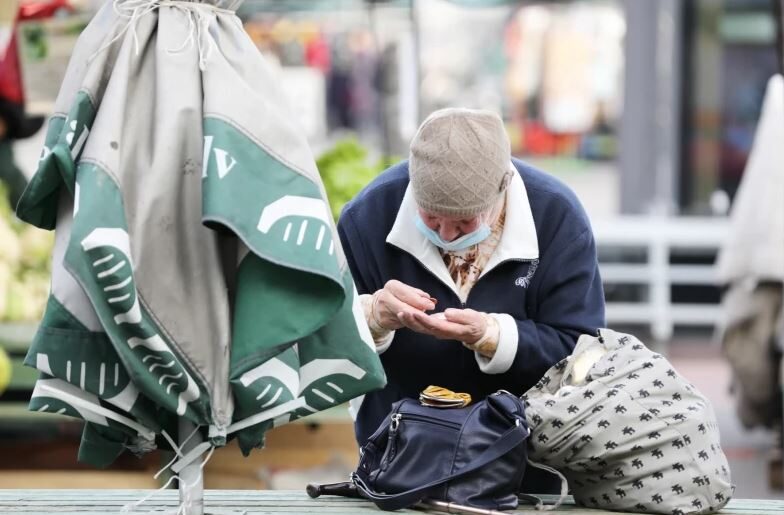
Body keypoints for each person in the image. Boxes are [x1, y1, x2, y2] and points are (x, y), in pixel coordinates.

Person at [337, 107, 605, 494]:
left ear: (504, 188)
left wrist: (494, 335)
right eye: (431, 218)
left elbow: (584, 353)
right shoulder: (368, 216)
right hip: (400, 466)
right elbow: (325, 337)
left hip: (530, 466)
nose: (446, 233)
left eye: (464, 223)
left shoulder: (558, 217)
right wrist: (373, 316)